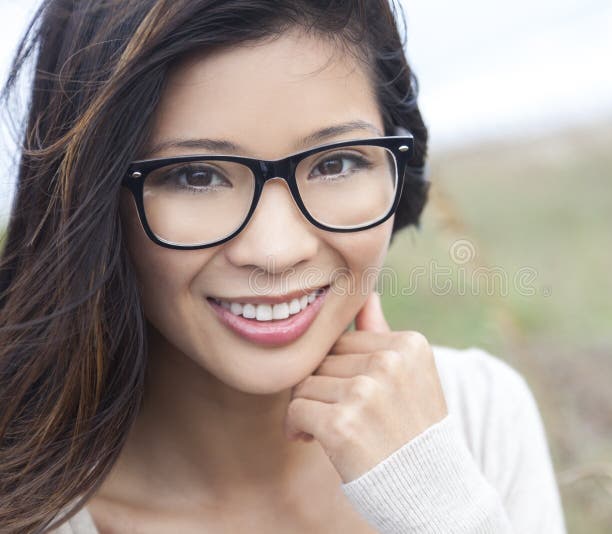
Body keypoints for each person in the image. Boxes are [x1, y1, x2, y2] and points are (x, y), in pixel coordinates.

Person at [0, 1, 566, 532]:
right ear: (93, 202)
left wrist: (438, 504)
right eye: (197, 175)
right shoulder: (29, 511)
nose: (275, 251)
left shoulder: (477, 417)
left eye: (338, 162)